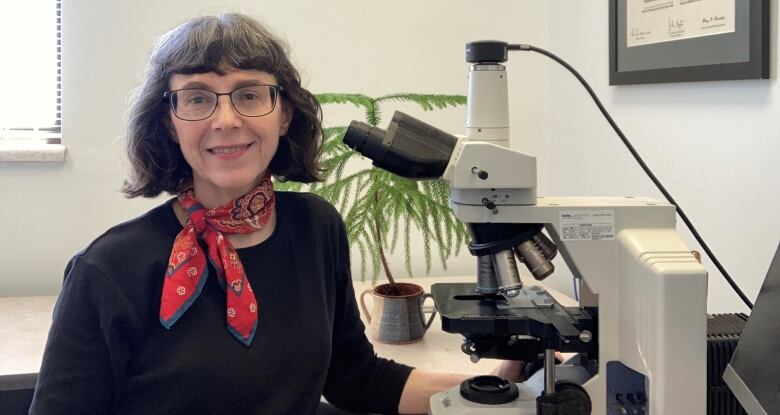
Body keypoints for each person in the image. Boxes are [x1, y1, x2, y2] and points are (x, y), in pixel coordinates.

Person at [29, 13, 521, 414]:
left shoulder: (316, 228)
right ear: (169, 121)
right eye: (198, 97)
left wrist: (494, 388)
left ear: (284, 114)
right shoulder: (109, 268)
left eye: (249, 94)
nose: (226, 120)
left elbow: (357, 380)